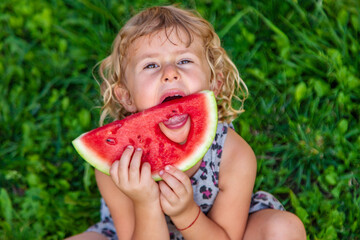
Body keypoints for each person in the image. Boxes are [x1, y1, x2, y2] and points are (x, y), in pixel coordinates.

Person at [66, 5, 306, 240]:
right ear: (126, 96)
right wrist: (146, 203)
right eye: (151, 65)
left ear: (214, 83)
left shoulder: (234, 156)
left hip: (214, 230)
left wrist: (186, 213)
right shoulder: (117, 165)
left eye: (184, 61)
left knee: (283, 228)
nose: (170, 73)